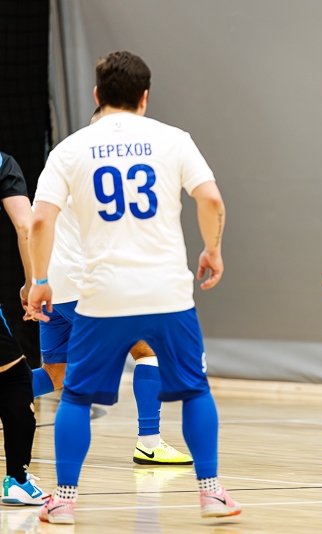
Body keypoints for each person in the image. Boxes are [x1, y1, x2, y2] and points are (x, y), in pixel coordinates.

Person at [27, 51, 240, 524]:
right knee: (194, 390)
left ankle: (64, 500)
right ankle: (210, 493)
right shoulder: (173, 139)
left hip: (101, 294)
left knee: (75, 396)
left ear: (97, 94)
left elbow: (40, 221)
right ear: (144, 97)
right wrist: (213, 250)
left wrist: (40, 280)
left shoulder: (69, 149)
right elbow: (210, 198)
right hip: (167, 291)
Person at [29, 107, 192, 467]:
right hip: (86, 284)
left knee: (55, 373)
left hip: (53, 283)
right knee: (148, 351)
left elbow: (37, 224)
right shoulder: (106, 167)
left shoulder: (63, 160)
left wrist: (35, 280)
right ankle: (149, 442)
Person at [0, 151, 48, 505]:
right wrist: (34, 282)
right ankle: (17, 479)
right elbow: (26, 225)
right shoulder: (3, 163)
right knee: (16, 379)